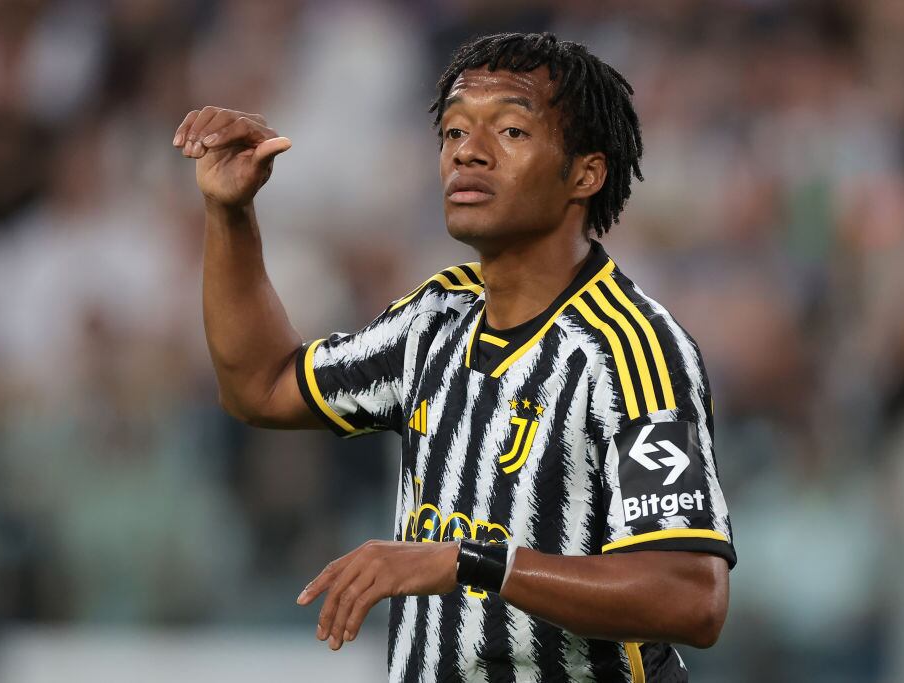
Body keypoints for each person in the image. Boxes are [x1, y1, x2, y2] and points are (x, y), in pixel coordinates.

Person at [174, 31, 735, 683]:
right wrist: (230, 212)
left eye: (512, 132)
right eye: (454, 132)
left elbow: (690, 596)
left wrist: (472, 562)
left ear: (586, 173)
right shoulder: (434, 318)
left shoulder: (632, 352)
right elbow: (261, 385)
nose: (468, 151)